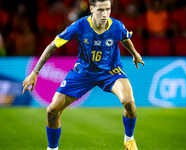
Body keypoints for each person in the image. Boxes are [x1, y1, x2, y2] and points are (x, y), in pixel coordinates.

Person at [22, 0, 144, 150]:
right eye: (100, 10)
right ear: (91, 9)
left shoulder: (117, 26)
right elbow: (52, 45)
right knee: (52, 111)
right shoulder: (79, 26)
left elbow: (125, 39)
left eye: (108, 9)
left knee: (129, 102)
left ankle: (129, 139)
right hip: (83, 74)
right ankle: (52, 148)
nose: (105, 14)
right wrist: (35, 72)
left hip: (110, 72)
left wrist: (135, 54)